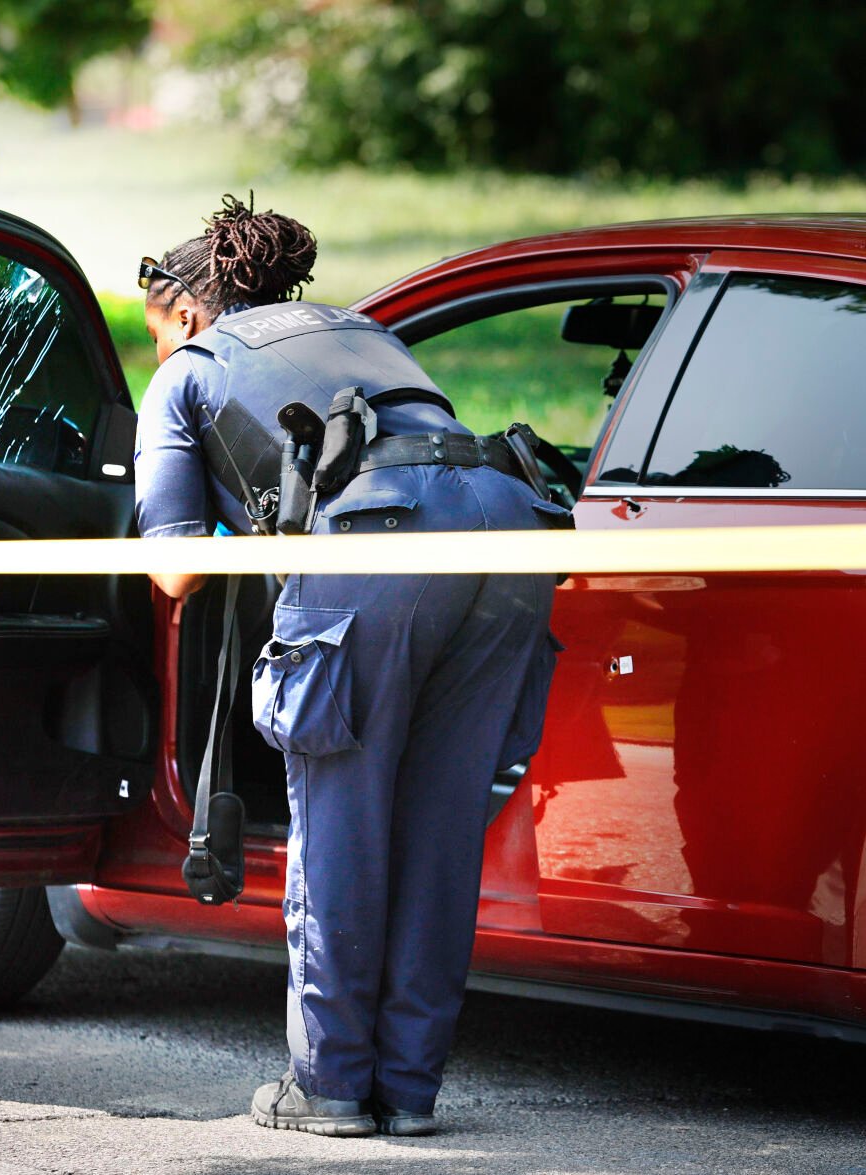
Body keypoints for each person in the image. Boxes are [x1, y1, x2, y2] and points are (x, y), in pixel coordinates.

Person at [132, 195, 562, 1138]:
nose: (153, 353)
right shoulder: (360, 328)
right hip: (509, 523)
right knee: (438, 832)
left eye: (152, 332)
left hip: (381, 542)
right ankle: (407, 1091)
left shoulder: (190, 372)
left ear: (188, 311)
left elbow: (172, 569)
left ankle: (326, 1086)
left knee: (343, 830)